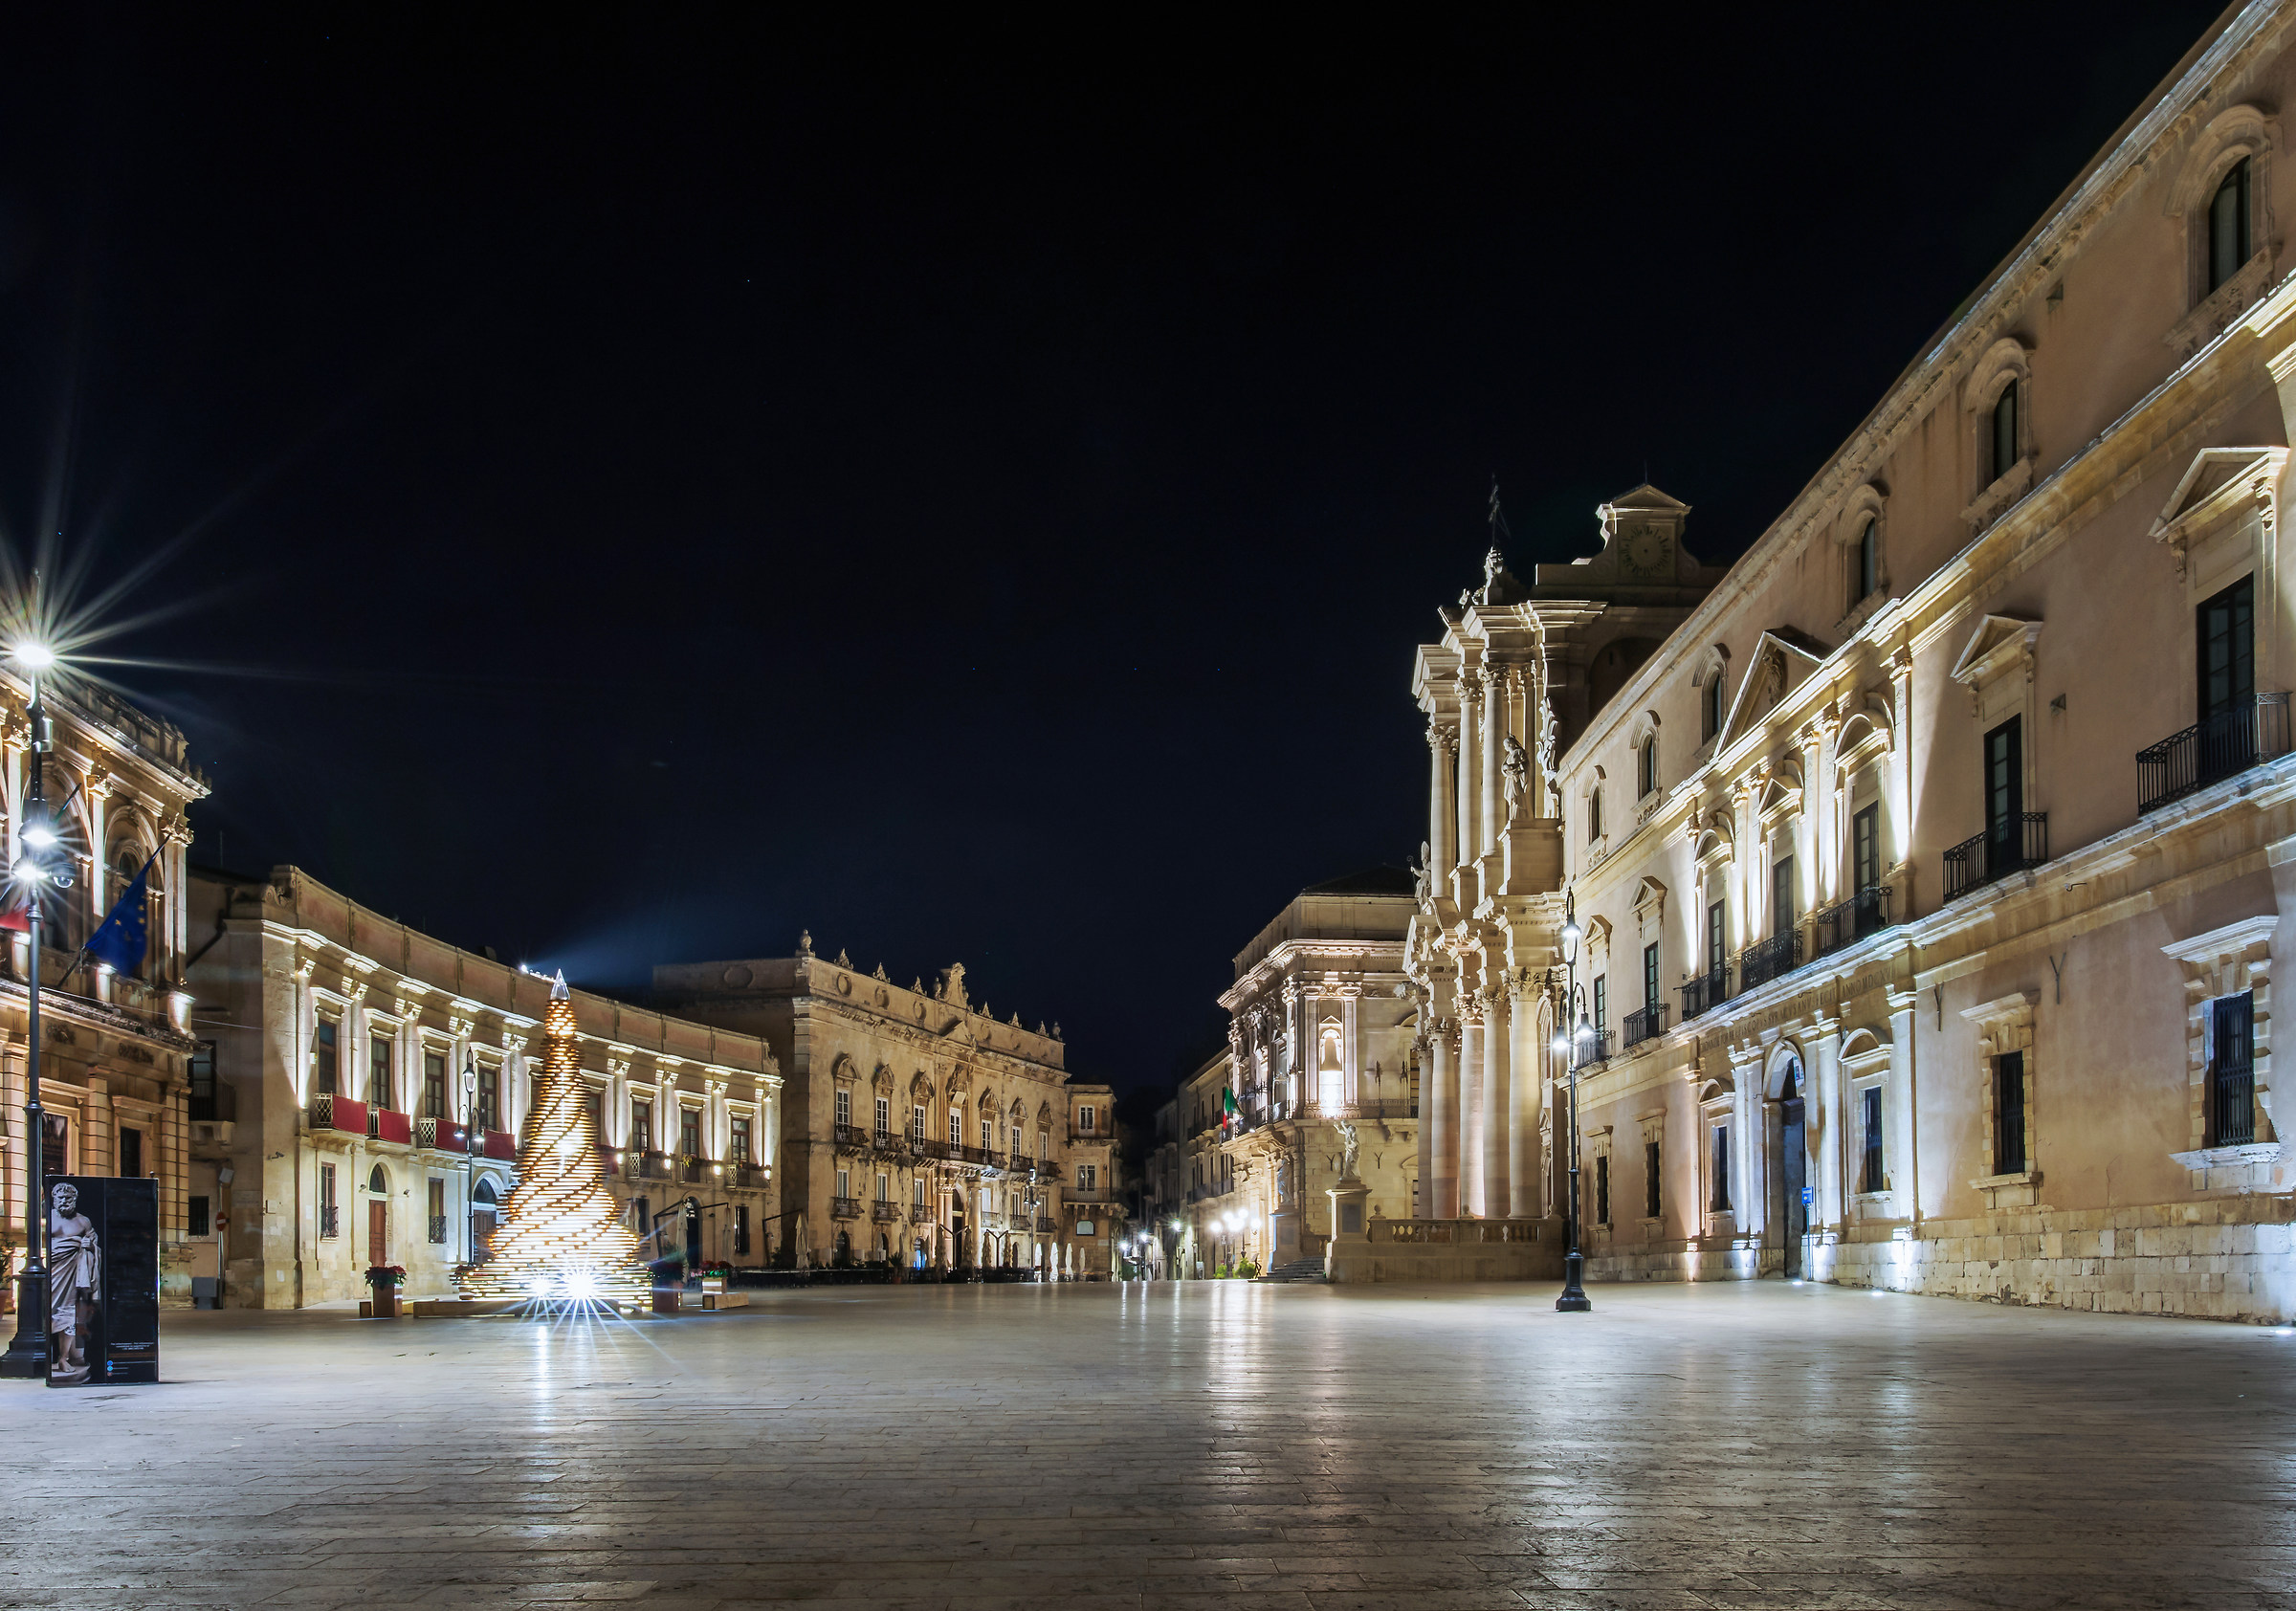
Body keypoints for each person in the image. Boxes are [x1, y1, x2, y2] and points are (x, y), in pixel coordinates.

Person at [49, 1181, 99, 1386]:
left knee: (68, 1313)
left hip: (73, 1273)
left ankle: (63, 1358)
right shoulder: (47, 1218)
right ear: (54, 1199)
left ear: (74, 1200)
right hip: (53, 1272)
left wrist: (89, 1246)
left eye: (68, 1198)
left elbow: (94, 1243)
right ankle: (61, 1354)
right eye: (60, 1198)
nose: (64, 1201)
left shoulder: (83, 1221)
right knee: (50, 1312)